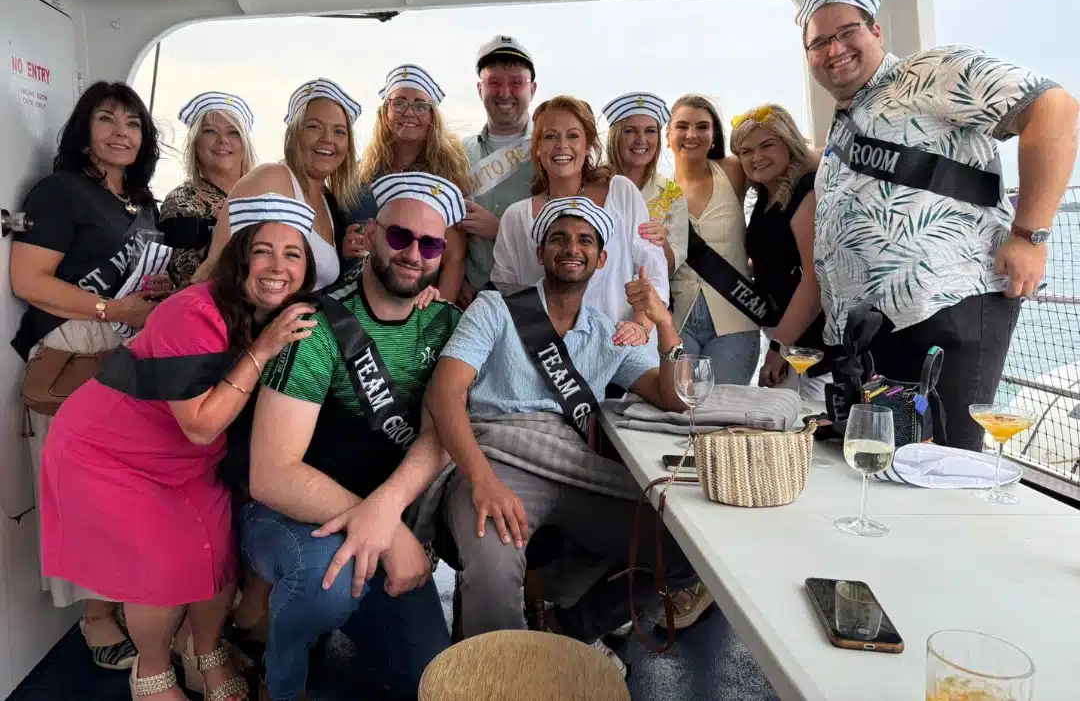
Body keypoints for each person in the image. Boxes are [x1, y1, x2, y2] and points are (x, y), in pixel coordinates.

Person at [39, 193, 319, 701]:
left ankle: (205, 654)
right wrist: (263, 349)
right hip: (109, 455)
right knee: (164, 569)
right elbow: (201, 426)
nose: (278, 266)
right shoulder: (192, 312)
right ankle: (151, 674)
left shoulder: (276, 311)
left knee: (215, 556)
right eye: (264, 251)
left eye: (293, 254)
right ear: (239, 257)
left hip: (185, 462)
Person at [798, 0, 1078, 450]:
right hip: (876, 332)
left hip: (944, 308)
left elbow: (1053, 109)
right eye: (820, 42)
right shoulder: (848, 121)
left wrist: (1029, 233)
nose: (835, 49)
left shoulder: (928, 71)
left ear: (877, 32)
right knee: (897, 463)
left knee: (946, 465)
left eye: (847, 32)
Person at [427, 196, 695, 677]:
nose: (572, 248)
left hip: (570, 466)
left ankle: (571, 627)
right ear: (540, 252)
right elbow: (445, 393)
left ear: (601, 258)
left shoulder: (606, 333)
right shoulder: (496, 308)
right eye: (559, 238)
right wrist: (482, 480)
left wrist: (664, 322)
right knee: (491, 567)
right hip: (496, 460)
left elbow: (673, 396)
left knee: (686, 550)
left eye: (585, 240)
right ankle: (507, 679)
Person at [241, 172, 466, 701]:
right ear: (368, 235)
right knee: (327, 588)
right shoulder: (315, 324)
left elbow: (439, 436)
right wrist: (391, 531)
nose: (414, 253)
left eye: (430, 244)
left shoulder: (445, 324)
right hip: (288, 515)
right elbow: (271, 475)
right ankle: (280, 675)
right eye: (400, 237)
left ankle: (324, 618)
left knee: (432, 679)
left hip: (377, 518)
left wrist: (383, 515)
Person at [10, 81, 171, 668]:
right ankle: (96, 617)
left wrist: (147, 299)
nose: (121, 133)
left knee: (126, 492)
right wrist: (113, 308)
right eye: (107, 119)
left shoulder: (143, 203)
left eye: (132, 123)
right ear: (84, 131)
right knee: (83, 494)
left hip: (126, 354)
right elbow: (29, 281)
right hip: (75, 353)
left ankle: (122, 600)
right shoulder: (60, 193)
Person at [490, 95, 668, 351]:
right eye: (550, 137)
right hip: (547, 361)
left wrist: (640, 327)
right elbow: (505, 292)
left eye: (573, 136)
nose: (562, 145)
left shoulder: (621, 192)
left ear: (588, 146)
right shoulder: (516, 217)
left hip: (619, 348)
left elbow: (654, 273)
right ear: (537, 148)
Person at [194, 78, 363, 290]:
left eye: (339, 131)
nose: (327, 139)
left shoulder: (329, 202)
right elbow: (215, 266)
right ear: (294, 135)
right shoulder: (270, 179)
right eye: (314, 127)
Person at [347, 64, 471, 302]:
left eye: (421, 105)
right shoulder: (362, 173)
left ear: (433, 115)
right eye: (399, 103)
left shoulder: (445, 177)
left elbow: (453, 259)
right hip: (353, 301)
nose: (409, 112)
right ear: (385, 112)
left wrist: (435, 319)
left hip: (413, 303)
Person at [731, 104, 829, 399]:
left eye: (767, 146)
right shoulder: (765, 195)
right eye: (746, 151)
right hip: (784, 335)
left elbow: (815, 282)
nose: (756, 158)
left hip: (811, 349)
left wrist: (778, 349)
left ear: (789, 144)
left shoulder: (805, 191)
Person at [668, 94, 761, 384]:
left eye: (702, 127)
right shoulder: (658, 191)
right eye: (682, 126)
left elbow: (788, 160)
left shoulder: (732, 171)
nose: (691, 135)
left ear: (714, 135)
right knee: (682, 416)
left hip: (735, 316)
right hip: (678, 321)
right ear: (668, 133)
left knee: (723, 418)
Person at [460, 35, 538, 305]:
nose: (505, 93)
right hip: (470, 297)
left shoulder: (551, 149)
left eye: (516, 83)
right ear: (480, 89)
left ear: (533, 89)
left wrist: (501, 229)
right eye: (494, 83)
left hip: (533, 297)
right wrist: (456, 278)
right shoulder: (457, 153)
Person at [160, 92, 258, 287]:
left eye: (234, 132)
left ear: (245, 145)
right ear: (195, 143)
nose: (223, 140)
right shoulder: (181, 200)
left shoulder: (265, 196)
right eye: (210, 131)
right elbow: (185, 275)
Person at [602, 91, 688, 276]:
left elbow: (672, 267)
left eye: (650, 131)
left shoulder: (671, 194)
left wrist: (662, 241)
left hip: (649, 298)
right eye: (630, 131)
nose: (641, 140)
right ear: (615, 136)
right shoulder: (593, 183)